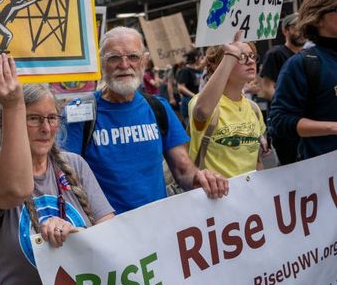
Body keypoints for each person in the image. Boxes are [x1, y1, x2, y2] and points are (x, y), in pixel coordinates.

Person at [0, 56, 115, 285]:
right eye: (34, 118)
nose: (46, 128)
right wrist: (13, 104)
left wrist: (77, 233)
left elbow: (108, 224)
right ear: (9, 123)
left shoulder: (74, 164)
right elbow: (16, 189)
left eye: (52, 118)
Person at [63, 27, 228, 214]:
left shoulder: (159, 108)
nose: (124, 65)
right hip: (104, 231)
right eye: (114, 58)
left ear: (144, 61)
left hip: (155, 226)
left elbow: (183, 170)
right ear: (101, 64)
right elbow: (65, 178)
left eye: (133, 56)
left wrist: (201, 178)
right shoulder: (78, 113)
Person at [270, 0, 337, 162]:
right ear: (317, 20)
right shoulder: (301, 64)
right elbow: (279, 121)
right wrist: (332, 127)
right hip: (323, 171)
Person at [188, 34, 268, 178]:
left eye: (252, 56)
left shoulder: (254, 109)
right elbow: (202, 111)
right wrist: (231, 55)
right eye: (241, 57)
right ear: (219, 64)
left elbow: (257, 161)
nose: (250, 61)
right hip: (214, 197)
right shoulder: (203, 102)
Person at [259, 13, 305, 166]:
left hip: (306, 123)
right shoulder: (276, 54)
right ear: (285, 31)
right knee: (291, 167)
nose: (300, 30)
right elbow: (266, 89)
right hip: (286, 124)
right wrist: (293, 106)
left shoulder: (308, 55)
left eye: (302, 26)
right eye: (295, 27)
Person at [176, 49, 204, 121]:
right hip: (189, 101)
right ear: (196, 58)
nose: (202, 59)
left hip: (197, 101)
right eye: (201, 57)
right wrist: (194, 96)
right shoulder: (185, 70)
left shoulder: (198, 69)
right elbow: (181, 87)